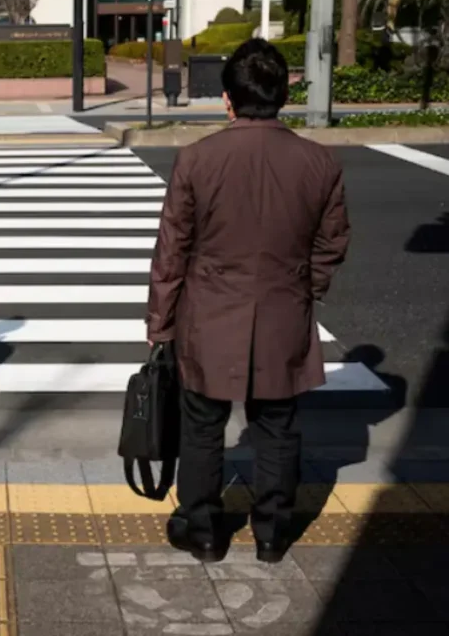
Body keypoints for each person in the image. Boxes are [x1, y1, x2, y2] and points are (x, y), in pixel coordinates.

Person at [145, 38, 350, 564]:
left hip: (208, 315)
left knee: (201, 425)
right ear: (284, 95)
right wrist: (307, 289)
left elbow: (173, 250)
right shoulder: (319, 163)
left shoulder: (196, 159)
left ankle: (203, 529)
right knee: (278, 426)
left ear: (227, 100)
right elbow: (331, 242)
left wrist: (160, 324)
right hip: (284, 310)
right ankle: (273, 533)